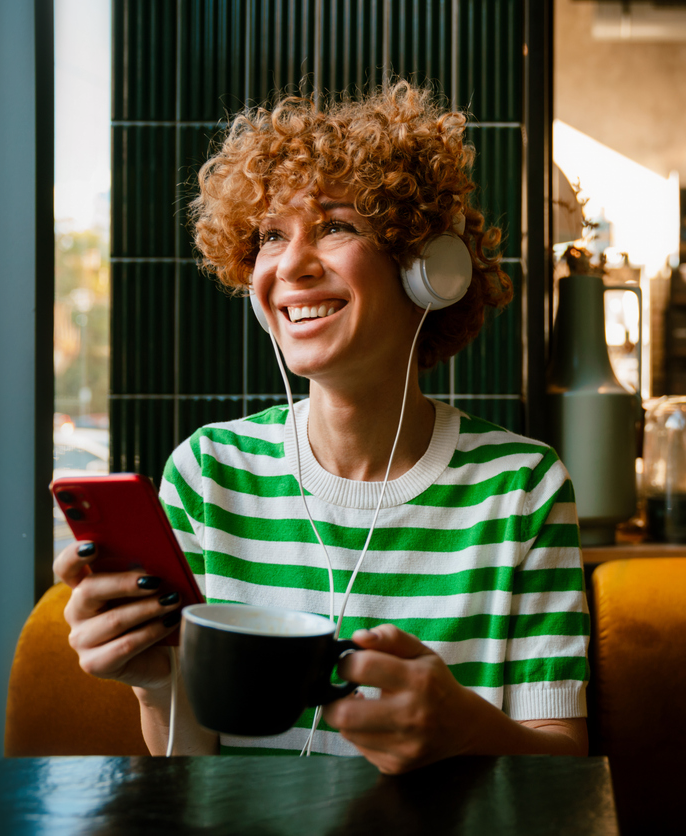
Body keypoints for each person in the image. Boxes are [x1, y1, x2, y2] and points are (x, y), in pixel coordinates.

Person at [54, 82, 588, 774]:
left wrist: (463, 729)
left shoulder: (521, 487)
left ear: (429, 269)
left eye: (335, 226)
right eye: (271, 236)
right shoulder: (208, 473)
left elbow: (563, 768)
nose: (291, 266)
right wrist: (157, 681)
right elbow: (190, 766)